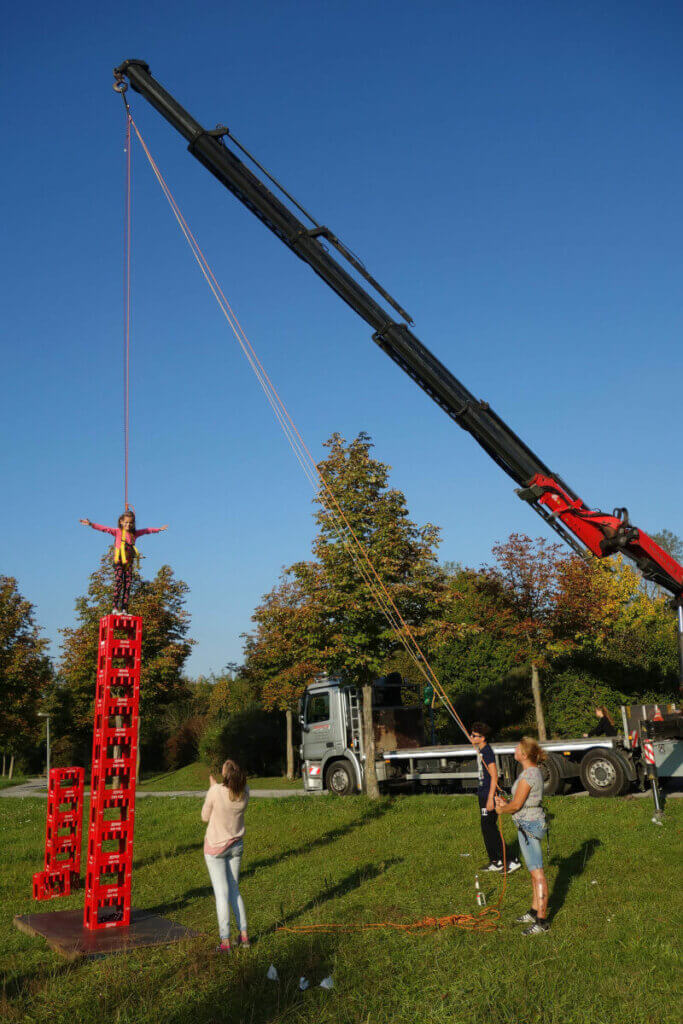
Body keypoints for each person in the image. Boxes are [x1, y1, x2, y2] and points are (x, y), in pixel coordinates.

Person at [495, 737, 550, 935]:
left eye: (517, 748)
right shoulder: (529, 772)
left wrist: (503, 809)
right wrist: (506, 803)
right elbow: (519, 802)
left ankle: (542, 922)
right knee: (533, 871)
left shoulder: (529, 775)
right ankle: (534, 911)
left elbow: (517, 805)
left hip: (530, 825)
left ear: (524, 755)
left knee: (538, 873)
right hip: (528, 823)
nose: (514, 750)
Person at [202, 758, 250, 953]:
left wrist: (212, 789)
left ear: (225, 775)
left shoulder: (216, 791)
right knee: (234, 890)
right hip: (236, 845)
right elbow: (230, 794)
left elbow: (205, 816)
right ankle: (244, 936)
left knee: (221, 894)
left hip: (216, 848)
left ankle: (225, 942)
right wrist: (216, 789)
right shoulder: (245, 791)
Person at [80, 511, 167, 613]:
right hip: (119, 560)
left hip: (128, 562)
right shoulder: (117, 532)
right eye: (126, 523)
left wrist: (158, 530)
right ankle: (115, 607)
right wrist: (91, 524)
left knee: (128, 584)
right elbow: (104, 529)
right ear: (121, 522)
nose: (128, 525)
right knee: (119, 581)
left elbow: (146, 530)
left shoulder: (134, 534)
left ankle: (125, 608)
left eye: (130, 523)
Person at [470, 722, 521, 874]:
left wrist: (490, 798)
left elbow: (494, 775)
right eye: (471, 735)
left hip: (488, 794)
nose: (471, 737)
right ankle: (496, 861)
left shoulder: (487, 752)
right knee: (486, 828)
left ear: (483, 738)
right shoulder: (481, 749)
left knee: (490, 828)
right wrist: (473, 740)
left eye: (474, 736)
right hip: (483, 794)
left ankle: (511, 860)